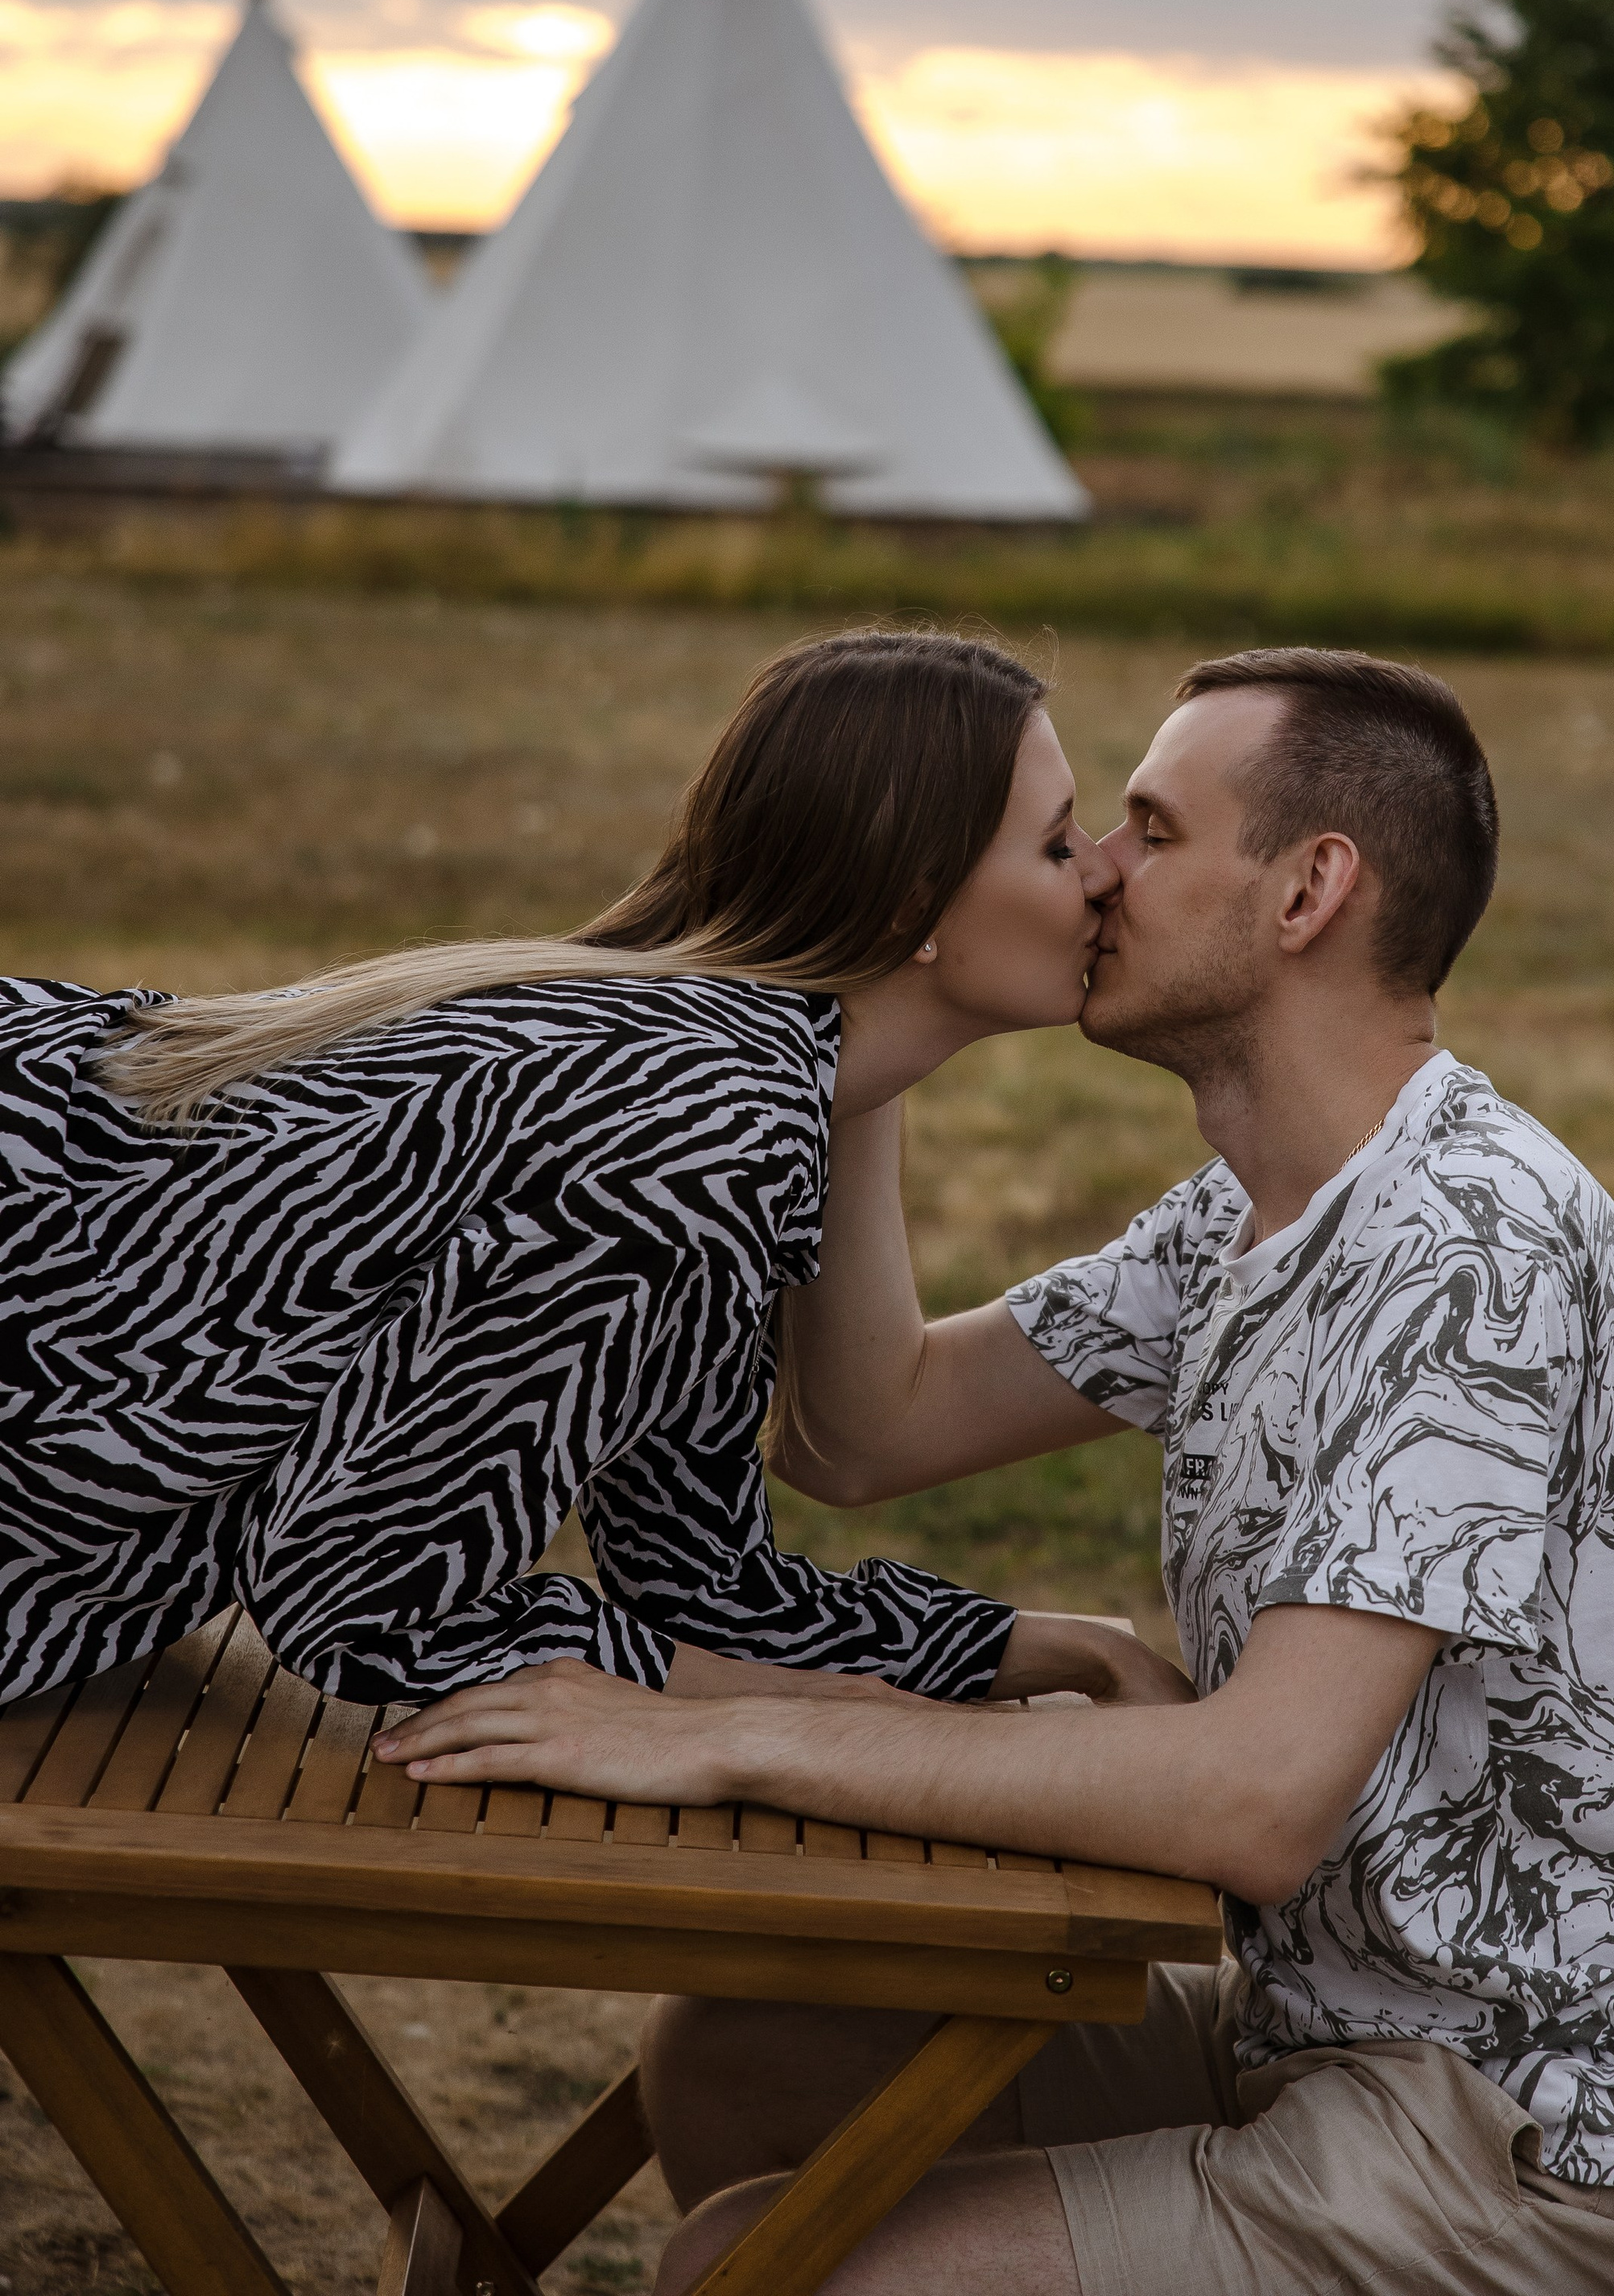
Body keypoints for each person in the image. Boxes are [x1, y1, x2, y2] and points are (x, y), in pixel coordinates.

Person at [386, 646, 1614, 2296]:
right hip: (1334, 2043)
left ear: (1305, 892)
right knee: (741, 2050)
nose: (1098, 871)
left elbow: (1251, 1802)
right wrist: (861, 1013)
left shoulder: (1465, 1245)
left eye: (1147, 826)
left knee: (758, 2270)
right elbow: (868, 1427)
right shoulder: (1257, 1207)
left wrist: (730, 1735)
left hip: (1548, 2156)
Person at [0, 628, 1187, 1718]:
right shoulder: (694, 1132)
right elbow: (366, 1605)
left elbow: (698, 1579)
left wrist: (1048, 1648)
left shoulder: (723, 1074)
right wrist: (860, 1728)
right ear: (913, 906)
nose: (1101, 875)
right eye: (1054, 840)